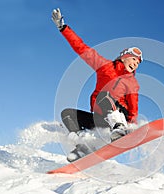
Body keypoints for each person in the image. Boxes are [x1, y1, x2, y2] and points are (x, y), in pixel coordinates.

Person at [51, 8, 143, 161]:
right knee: (67, 114)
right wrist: (63, 27)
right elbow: (82, 49)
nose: (136, 64)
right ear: (124, 57)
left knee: (104, 97)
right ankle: (83, 146)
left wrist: (132, 128)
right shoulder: (105, 66)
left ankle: (119, 129)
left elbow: (133, 106)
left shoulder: (132, 82)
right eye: (134, 59)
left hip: (120, 116)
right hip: (100, 118)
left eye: (138, 63)